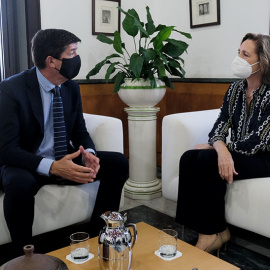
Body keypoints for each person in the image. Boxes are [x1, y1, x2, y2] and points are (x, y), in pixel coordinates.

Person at [0, 29, 128, 257]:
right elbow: (7, 149)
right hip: (29, 162)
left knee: (118, 163)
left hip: (64, 156)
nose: (77, 58)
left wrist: (88, 152)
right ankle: (24, 257)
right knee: (17, 184)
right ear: (52, 61)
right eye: (72, 53)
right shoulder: (11, 89)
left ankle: (99, 235)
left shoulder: (71, 87)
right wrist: (51, 166)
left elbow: (80, 130)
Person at [175, 33, 270, 255]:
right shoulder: (236, 89)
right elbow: (220, 125)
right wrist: (219, 146)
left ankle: (214, 233)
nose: (238, 58)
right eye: (238, 52)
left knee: (207, 160)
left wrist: (222, 150)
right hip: (239, 152)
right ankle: (200, 228)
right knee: (189, 157)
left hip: (264, 157)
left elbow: (258, 141)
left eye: (245, 55)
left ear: (262, 61)